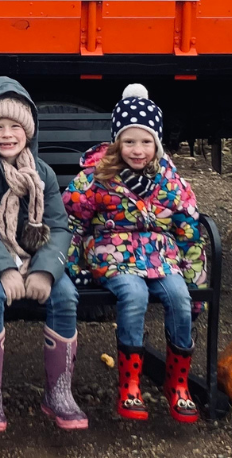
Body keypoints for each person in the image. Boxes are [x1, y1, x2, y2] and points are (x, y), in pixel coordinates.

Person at [64, 83, 207, 424]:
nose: (137, 150)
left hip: (160, 256)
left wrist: (194, 277)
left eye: (145, 141)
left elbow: (188, 228)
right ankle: (129, 383)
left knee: (179, 297)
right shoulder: (99, 177)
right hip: (113, 253)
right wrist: (72, 263)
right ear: (117, 142)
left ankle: (178, 383)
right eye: (129, 141)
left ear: (156, 144)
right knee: (134, 295)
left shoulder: (170, 181)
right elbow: (73, 218)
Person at [0, 76, 86, 432]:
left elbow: (57, 228)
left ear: (29, 131)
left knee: (66, 294)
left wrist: (42, 270)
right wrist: (6, 267)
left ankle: (59, 391)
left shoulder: (42, 173)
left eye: (15, 126)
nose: (7, 134)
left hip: (33, 256)